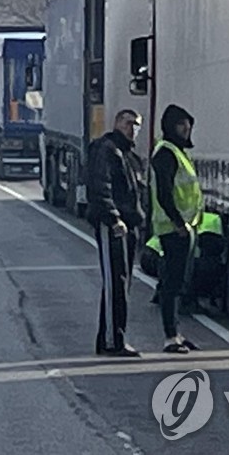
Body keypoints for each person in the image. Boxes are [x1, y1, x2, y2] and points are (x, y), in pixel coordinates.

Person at [86, 109, 147, 357]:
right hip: (114, 225)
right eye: (127, 123)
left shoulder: (130, 156)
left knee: (123, 283)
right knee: (115, 284)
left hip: (129, 225)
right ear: (117, 124)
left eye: (136, 124)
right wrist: (113, 218)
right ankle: (112, 341)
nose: (131, 128)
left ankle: (113, 337)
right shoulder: (107, 149)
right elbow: (100, 186)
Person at [150, 104, 204, 354]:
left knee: (179, 282)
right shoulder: (166, 153)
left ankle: (177, 334)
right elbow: (164, 192)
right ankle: (170, 337)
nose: (186, 128)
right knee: (172, 284)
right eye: (181, 124)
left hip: (184, 228)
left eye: (188, 123)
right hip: (174, 230)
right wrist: (178, 222)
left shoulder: (178, 151)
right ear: (170, 126)